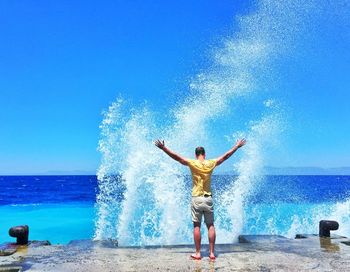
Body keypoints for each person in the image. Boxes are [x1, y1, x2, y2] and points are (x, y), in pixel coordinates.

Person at [155, 138, 246, 260]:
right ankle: (212, 253)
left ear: (196, 155)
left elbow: (177, 157)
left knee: (196, 226)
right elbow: (226, 156)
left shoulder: (192, 163)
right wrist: (236, 146)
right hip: (208, 198)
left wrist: (164, 148)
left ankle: (198, 253)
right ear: (204, 154)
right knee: (210, 225)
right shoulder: (211, 163)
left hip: (196, 198)